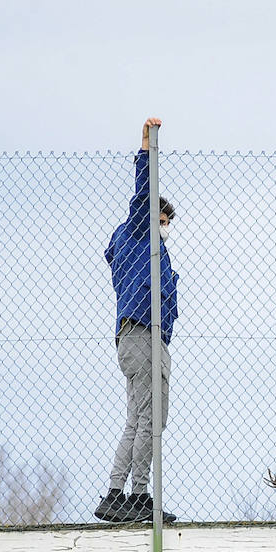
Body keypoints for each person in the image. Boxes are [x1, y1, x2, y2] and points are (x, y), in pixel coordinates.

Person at [95, 117, 180, 524]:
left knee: (148, 417)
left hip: (154, 337)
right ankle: (124, 492)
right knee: (148, 416)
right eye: (159, 220)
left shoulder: (159, 258)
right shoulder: (135, 236)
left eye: (167, 222)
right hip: (139, 333)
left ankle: (135, 495)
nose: (163, 227)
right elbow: (143, 194)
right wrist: (146, 150)